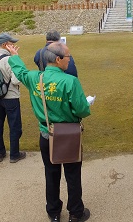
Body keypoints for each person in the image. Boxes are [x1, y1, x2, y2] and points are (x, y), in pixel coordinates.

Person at [7, 41, 91, 222]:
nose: (70, 60)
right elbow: (82, 110)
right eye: (68, 57)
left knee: (51, 173)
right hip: (68, 135)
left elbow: (21, 72)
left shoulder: (35, 78)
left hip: (47, 134)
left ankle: (53, 212)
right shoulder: (70, 81)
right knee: (72, 174)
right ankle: (76, 212)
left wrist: (15, 56)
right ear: (58, 59)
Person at [0, 33, 25, 163]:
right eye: (11, 43)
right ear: (4, 45)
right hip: (11, 97)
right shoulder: (9, 59)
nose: (13, 45)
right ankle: (14, 154)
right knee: (14, 126)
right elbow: (16, 80)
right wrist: (17, 59)